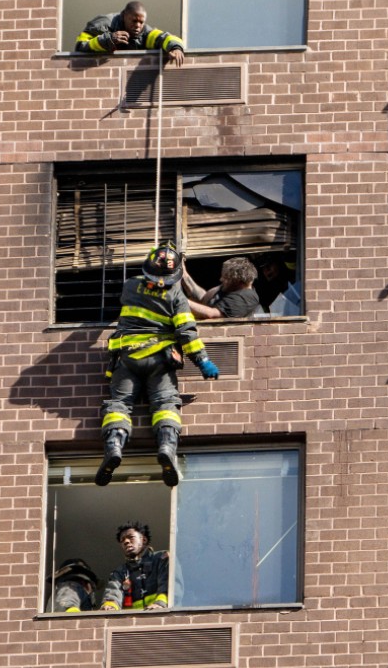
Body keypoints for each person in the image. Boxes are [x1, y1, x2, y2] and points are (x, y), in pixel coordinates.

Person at [98, 242, 220, 489]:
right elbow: (187, 333)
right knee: (165, 404)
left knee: (119, 404)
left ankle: (114, 445)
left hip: (127, 357)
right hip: (160, 361)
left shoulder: (130, 285)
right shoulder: (176, 295)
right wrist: (203, 361)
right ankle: (166, 446)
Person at [74, 0, 186, 67]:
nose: (138, 25)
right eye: (134, 21)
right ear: (123, 15)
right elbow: (80, 45)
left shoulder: (145, 33)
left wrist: (176, 48)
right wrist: (108, 40)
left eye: (141, 22)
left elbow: (164, 37)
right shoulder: (105, 24)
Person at [101, 521, 170, 611]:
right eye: (122, 540)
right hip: (133, 619)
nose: (126, 541)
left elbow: (170, 586)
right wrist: (110, 606)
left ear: (144, 540)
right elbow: (113, 592)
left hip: (160, 616)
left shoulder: (161, 559)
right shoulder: (120, 572)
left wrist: (160, 603)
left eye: (131, 537)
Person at [180, 256, 262, 320]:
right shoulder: (230, 288)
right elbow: (205, 298)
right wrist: (184, 275)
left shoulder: (245, 298)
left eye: (226, 278)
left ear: (239, 282)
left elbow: (211, 314)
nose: (221, 279)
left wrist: (179, 300)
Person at [254, 251, 302, 316]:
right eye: (263, 268)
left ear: (278, 264)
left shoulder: (291, 280)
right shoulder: (263, 294)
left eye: (269, 264)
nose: (267, 269)